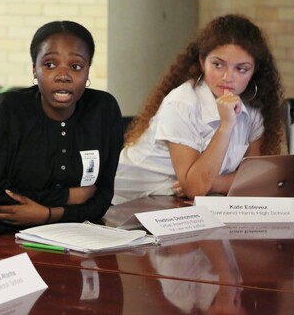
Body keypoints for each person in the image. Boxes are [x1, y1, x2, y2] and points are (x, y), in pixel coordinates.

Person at [0, 20, 124, 250]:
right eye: (49, 64)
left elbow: (101, 199)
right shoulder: (7, 110)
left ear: (88, 70)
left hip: (70, 242)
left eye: (76, 66)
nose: (63, 75)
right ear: (34, 69)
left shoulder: (103, 110)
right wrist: (68, 197)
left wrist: (46, 214)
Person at [112, 14, 284, 204]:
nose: (228, 77)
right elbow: (195, 188)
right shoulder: (182, 103)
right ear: (203, 62)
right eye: (218, 65)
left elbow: (255, 180)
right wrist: (226, 126)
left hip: (177, 202)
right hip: (127, 204)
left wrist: (215, 183)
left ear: (254, 71)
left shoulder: (253, 107)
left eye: (241, 69)